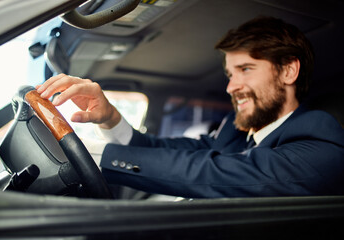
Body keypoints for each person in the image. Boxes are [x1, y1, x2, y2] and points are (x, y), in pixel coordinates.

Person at [37, 16, 344, 198]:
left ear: (289, 71)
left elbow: (228, 173)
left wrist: (92, 153)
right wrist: (111, 119)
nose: (231, 86)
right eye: (230, 74)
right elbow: (163, 151)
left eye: (246, 69)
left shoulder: (320, 138)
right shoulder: (235, 134)